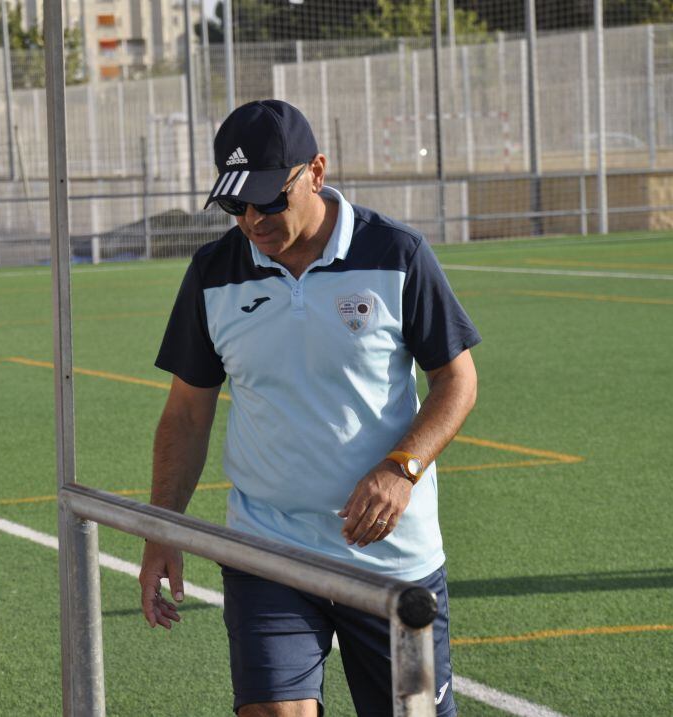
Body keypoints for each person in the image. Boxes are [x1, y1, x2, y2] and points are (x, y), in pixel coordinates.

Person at [138, 100, 480, 717]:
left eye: (270, 199)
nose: (251, 219)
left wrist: (401, 469)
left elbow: (456, 381)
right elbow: (187, 415)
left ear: (316, 172)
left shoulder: (397, 253)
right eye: (235, 204)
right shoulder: (212, 273)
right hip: (267, 547)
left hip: (393, 561)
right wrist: (164, 527)